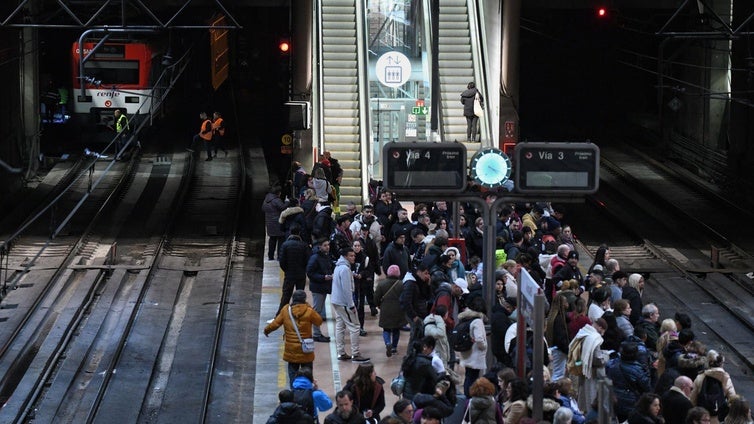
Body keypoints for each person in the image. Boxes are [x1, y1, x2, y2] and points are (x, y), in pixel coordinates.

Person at [264, 290, 323, 385]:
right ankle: (306, 390)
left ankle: (294, 391)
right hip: (305, 349)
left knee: (292, 372)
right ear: (304, 299)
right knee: (307, 372)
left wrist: (267, 330)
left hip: (291, 349)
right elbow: (319, 321)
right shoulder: (309, 311)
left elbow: (276, 323)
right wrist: (308, 306)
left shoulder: (285, 310)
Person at [331, 247, 369, 362]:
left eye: (354, 255)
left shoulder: (338, 267)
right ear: (346, 256)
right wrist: (351, 305)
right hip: (344, 303)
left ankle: (341, 352)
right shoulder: (345, 269)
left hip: (336, 301)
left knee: (340, 326)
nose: (354, 257)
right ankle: (355, 354)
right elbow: (347, 289)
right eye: (351, 256)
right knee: (355, 327)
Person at [606, 342, 652, 422]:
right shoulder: (638, 370)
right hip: (632, 403)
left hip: (615, 400)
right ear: (636, 354)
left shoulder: (612, 364)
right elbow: (647, 387)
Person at [571, 318, 609, 413]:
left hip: (581, 368)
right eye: (603, 331)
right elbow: (597, 359)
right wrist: (606, 356)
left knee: (583, 394)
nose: (602, 334)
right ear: (600, 327)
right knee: (590, 396)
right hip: (591, 373)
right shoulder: (594, 338)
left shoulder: (583, 332)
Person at [691, 350, 736, 424]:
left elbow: (693, 399)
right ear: (721, 364)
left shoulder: (700, 377)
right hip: (718, 417)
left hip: (701, 418)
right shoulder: (726, 378)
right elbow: (732, 399)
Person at [277, 225, 311, 315]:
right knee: (300, 296)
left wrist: (286, 270)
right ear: (299, 233)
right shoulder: (304, 245)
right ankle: (299, 314)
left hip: (289, 274)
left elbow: (282, 261)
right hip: (301, 275)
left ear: (290, 232)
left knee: (286, 296)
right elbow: (307, 260)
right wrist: (303, 269)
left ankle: (281, 314)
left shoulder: (285, 245)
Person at [458, 296, 488, 397]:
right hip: (475, 354)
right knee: (472, 378)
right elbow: (479, 338)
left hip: (467, 352)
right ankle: (470, 397)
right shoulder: (478, 321)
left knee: (468, 376)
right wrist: (484, 346)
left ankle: (468, 396)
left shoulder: (466, 317)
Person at [374, 264, 406, 357]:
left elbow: (376, 297)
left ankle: (388, 343)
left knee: (386, 329)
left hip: (385, 309)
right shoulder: (401, 284)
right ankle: (394, 347)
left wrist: (378, 305)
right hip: (398, 309)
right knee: (396, 329)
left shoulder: (382, 284)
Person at [306, 239, 334, 342]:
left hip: (323, 287)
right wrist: (323, 277)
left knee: (318, 310)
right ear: (320, 247)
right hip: (318, 288)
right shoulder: (315, 258)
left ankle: (317, 333)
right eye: (325, 245)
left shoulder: (325, 256)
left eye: (328, 245)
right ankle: (316, 334)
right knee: (316, 311)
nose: (327, 247)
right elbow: (310, 272)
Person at [546, 293, 571, 381]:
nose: (567, 303)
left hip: (555, 348)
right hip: (560, 350)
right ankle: (554, 390)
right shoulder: (559, 320)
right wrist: (567, 350)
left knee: (557, 372)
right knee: (558, 374)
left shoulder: (552, 317)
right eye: (565, 302)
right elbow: (561, 338)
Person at [262, 185, 290, 261]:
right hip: (278, 222)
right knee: (281, 239)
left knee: (272, 239)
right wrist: (287, 202)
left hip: (269, 222)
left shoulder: (266, 199)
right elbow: (283, 207)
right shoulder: (276, 200)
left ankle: (270, 256)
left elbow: (263, 208)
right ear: (278, 193)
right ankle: (279, 256)